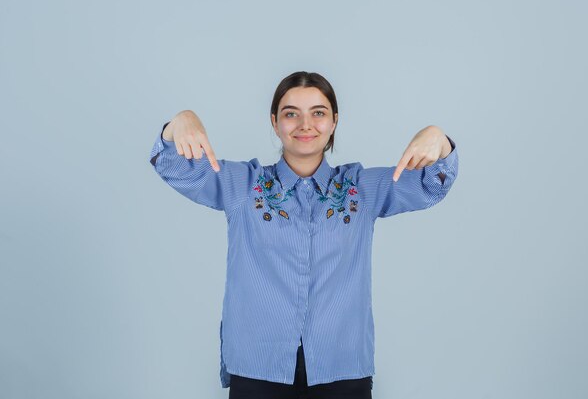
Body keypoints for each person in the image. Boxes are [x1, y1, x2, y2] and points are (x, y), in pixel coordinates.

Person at [148, 71, 459, 399]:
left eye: (318, 113)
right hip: (258, 367)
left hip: (342, 368)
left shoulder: (361, 189)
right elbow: (171, 164)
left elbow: (431, 182)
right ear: (274, 122)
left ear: (334, 121)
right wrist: (181, 121)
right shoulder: (243, 185)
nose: (305, 124)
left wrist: (436, 136)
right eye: (291, 113)